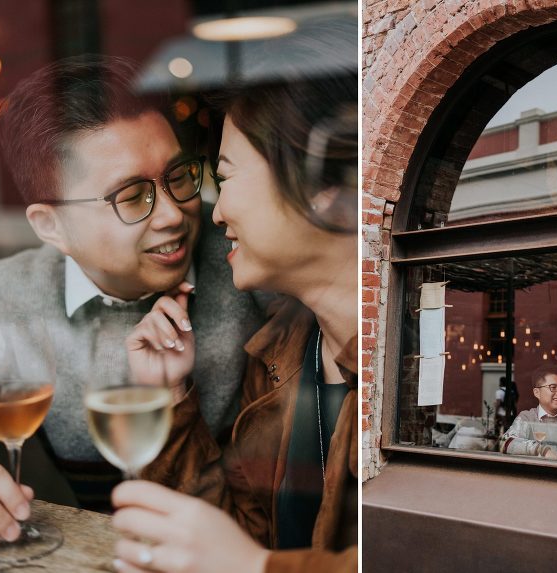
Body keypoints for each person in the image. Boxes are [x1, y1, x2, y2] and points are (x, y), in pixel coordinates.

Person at [0, 55, 264, 546]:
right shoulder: (8, 297)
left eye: (179, 176)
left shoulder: (256, 261)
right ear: (52, 226)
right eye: (131, 196)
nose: (174, 215)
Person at [109, 69, 358, 571]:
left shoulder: (409, 362)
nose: (215, 213)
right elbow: (225, 541)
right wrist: (172, 397)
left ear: (317, 185)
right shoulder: (278, 352)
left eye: (224, 177)